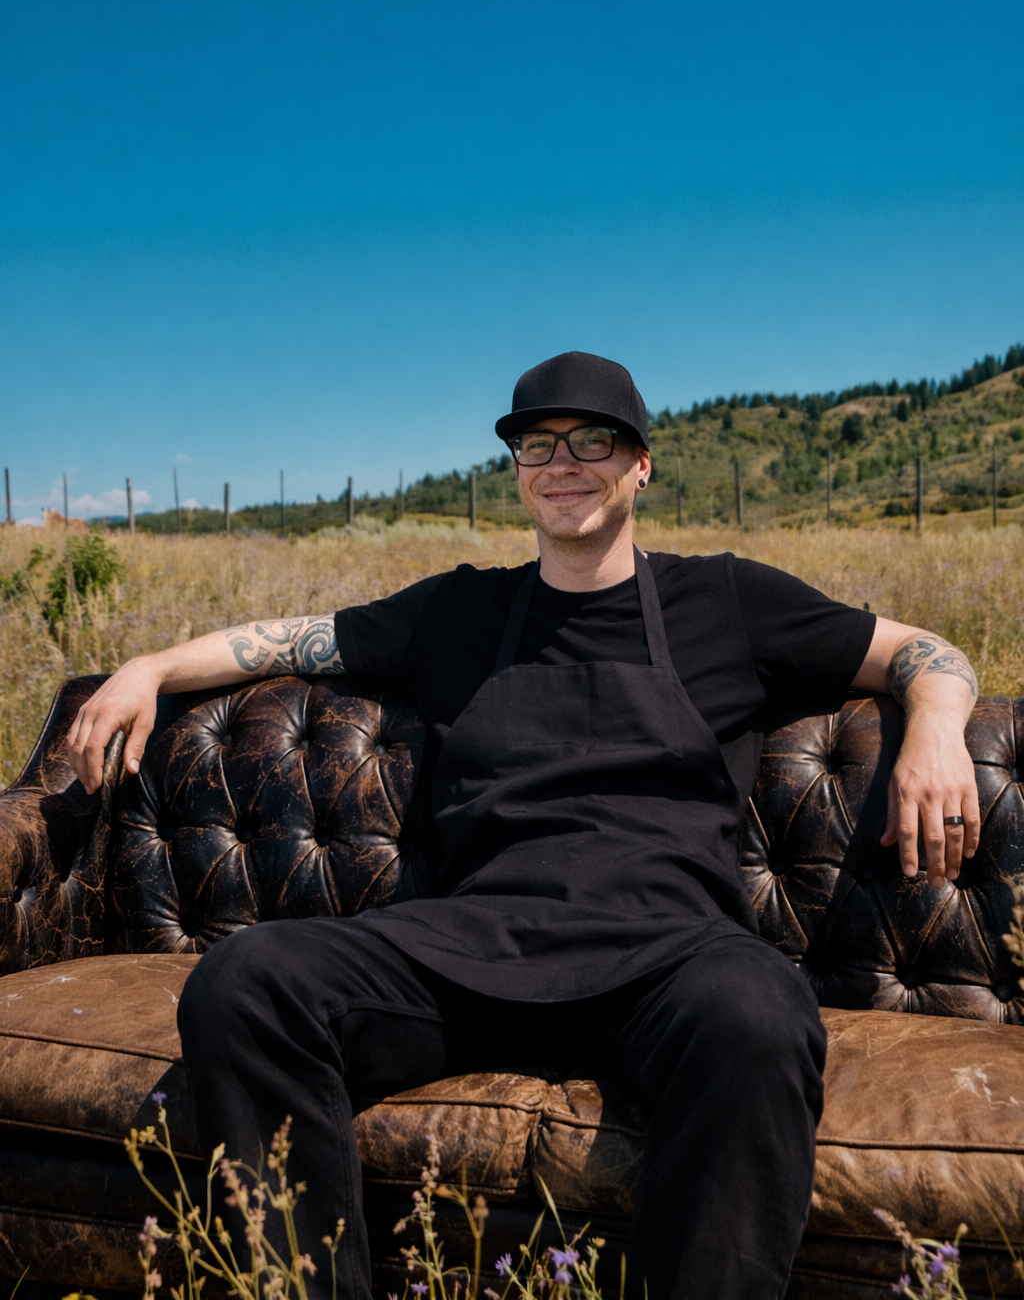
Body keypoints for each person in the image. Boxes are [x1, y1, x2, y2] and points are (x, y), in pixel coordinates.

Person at [68, 351, 980, 1300]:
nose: (562, 464)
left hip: (666, 957)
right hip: (470, 950)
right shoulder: (459, 611)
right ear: (516, 470)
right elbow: (294, 635)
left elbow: (921, 650)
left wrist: (935, 731)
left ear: (641, 463)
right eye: (537, 445)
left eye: (592, 440)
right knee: (244, 983)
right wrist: (150, 668)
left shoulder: (728, 601)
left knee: (759, 1013)